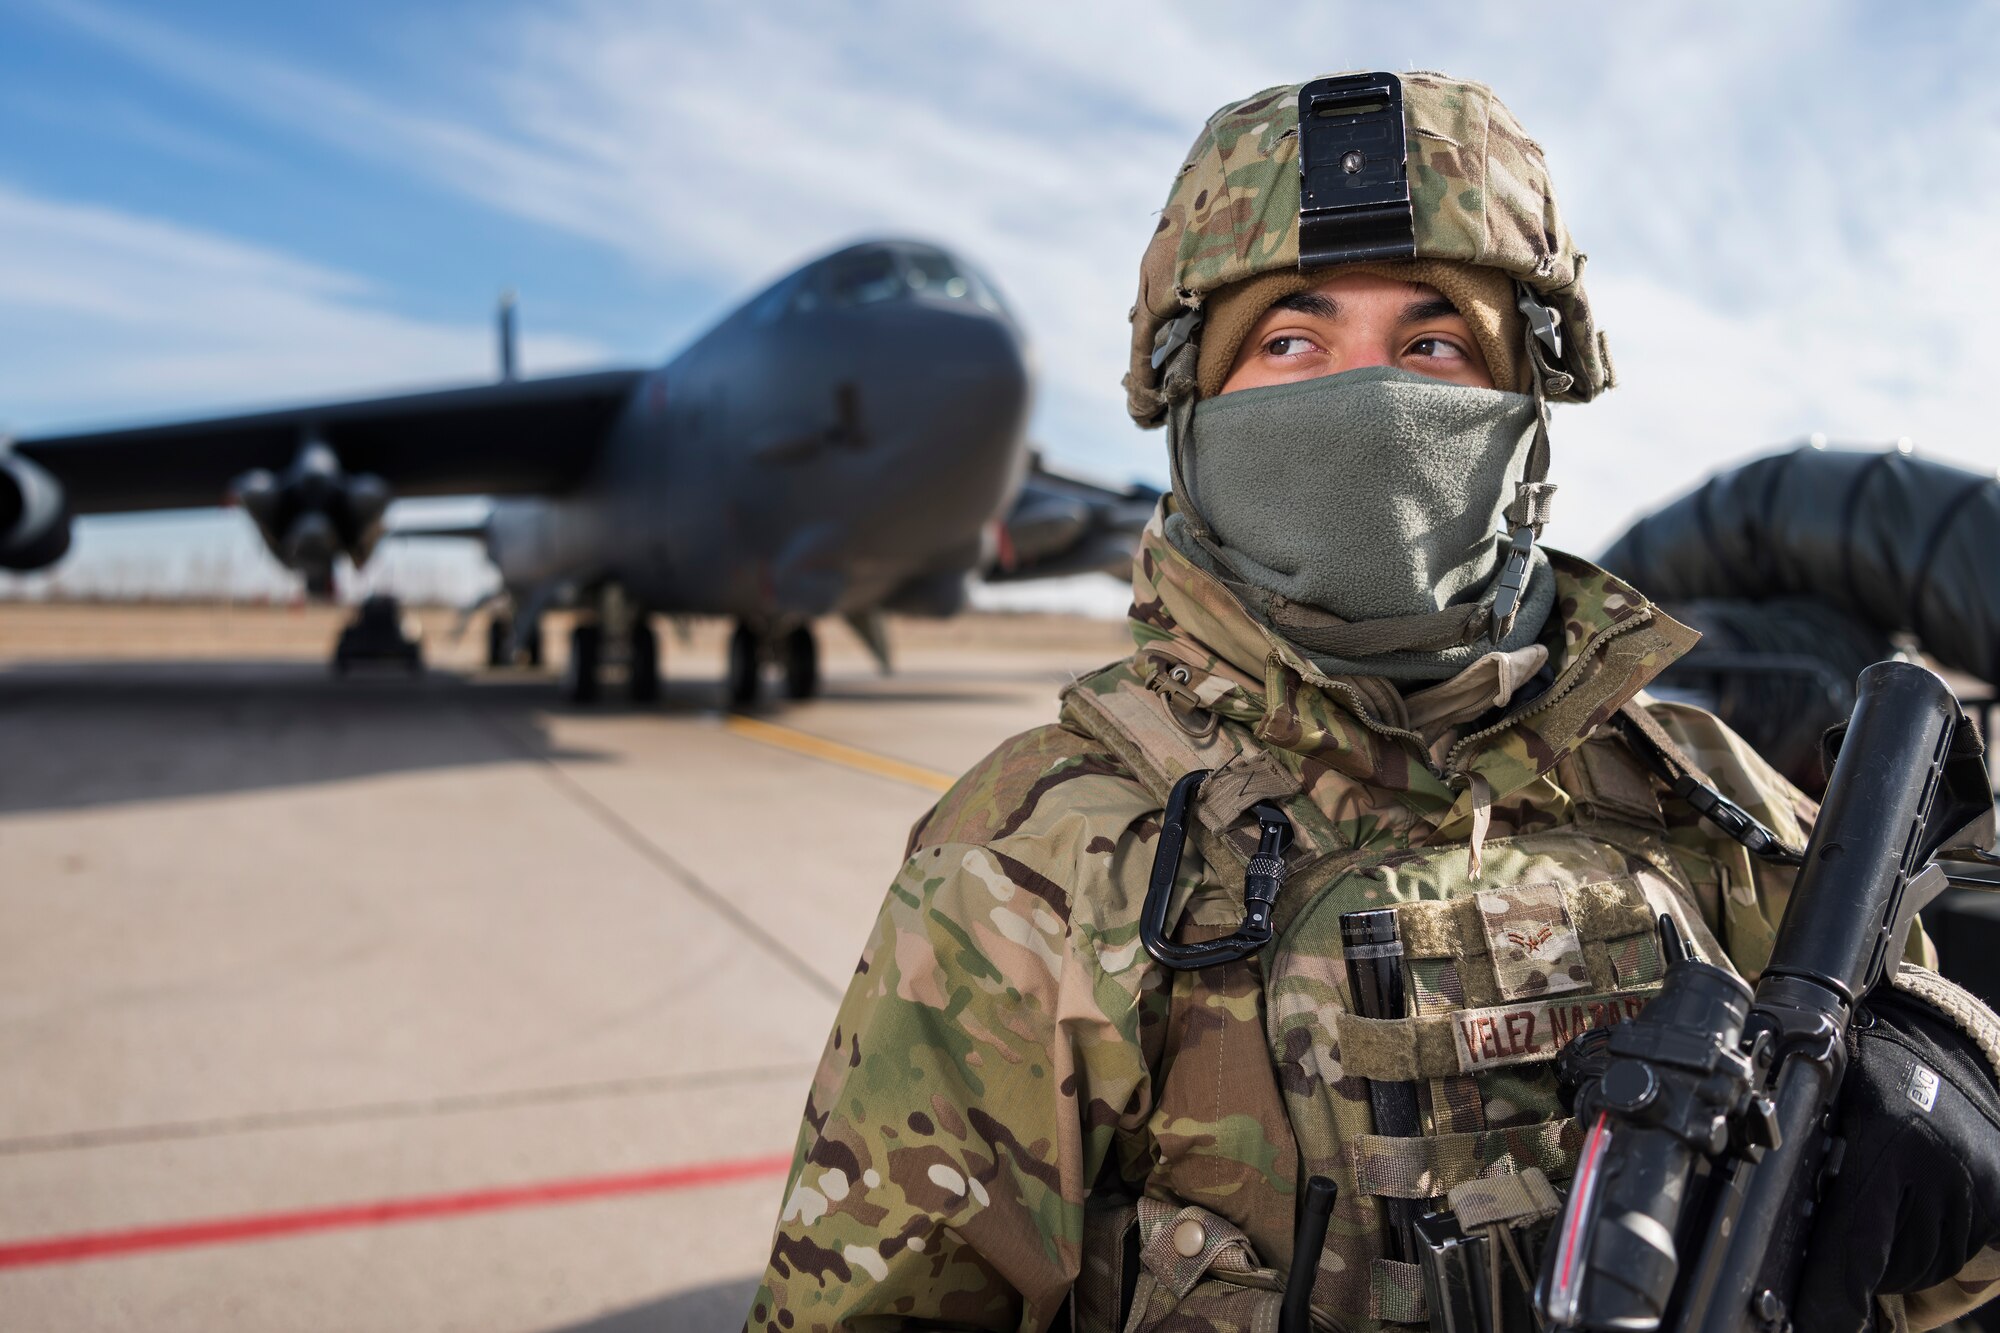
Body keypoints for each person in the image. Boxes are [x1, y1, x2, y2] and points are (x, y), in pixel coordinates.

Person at [746, 70, 2000, 1332]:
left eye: (1433, 345)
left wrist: (1955, 1118)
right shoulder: (1036, 859)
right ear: (1192, 411)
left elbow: (1925, 1269)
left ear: (1521, 411)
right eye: (1289, 342)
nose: (1367, 402)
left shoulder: (1712, 796)